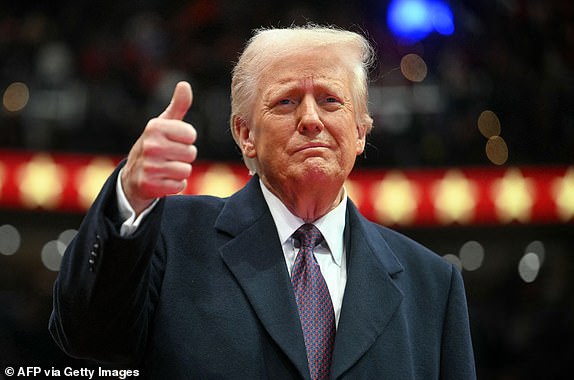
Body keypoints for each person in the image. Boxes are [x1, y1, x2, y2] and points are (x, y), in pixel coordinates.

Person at [49, 25, 476, 379]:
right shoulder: (170, 239)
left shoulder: (433, 286)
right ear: (245, 135)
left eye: (330, 100)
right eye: (286, 101)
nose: (311, 119)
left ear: (361, 131)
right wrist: (130, 195)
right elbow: (87, 335)